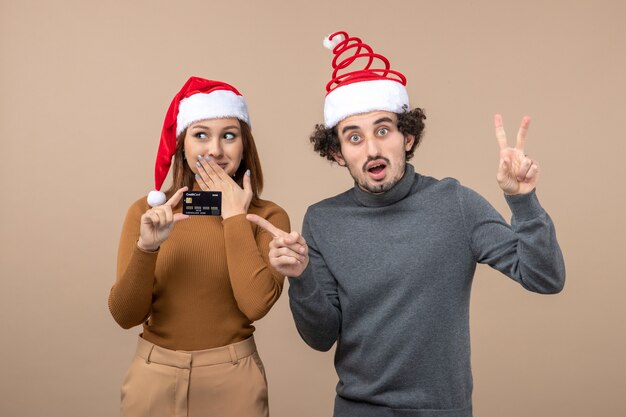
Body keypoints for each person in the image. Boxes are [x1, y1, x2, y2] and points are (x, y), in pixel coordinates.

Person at [248, 31, 565, 417]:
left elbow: (545, 277)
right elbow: (320, 338)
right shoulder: (322, 220)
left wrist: (523, 200)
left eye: (384, 130)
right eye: (354, 137)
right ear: (337, 153)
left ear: (408, 137)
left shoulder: (455, 203)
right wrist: (302, 277)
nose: (372, 149)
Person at [109, 76, 289, 417]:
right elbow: (124, 315)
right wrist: (146, 249)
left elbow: (254, 305)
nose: (215, 150)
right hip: (153, 378)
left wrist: (235, 215)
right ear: (182, 145)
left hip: (234, 381)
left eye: (229, 136)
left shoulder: (268, 217)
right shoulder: (148, 214)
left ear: (244, 145)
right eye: (201, 134)